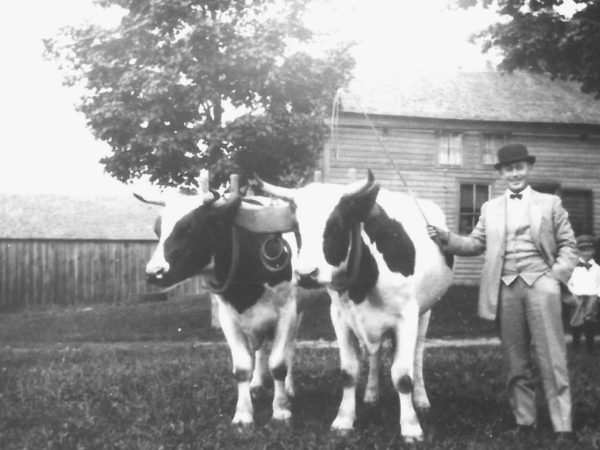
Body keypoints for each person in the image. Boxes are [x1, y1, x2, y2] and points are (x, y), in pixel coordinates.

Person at [428, 143, 578, 443]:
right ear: (501, 173)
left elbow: (569, 246)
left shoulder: (551, 204)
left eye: (519, 167)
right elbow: (475, 244)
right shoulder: (490, 208)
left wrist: (554, 276)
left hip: (542, 286)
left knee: (552, 356)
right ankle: (525, 420)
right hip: (506, 289)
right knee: (515, 359)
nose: (515, 174)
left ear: (529, 169)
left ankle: (562, 424)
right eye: (509, 169)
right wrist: (446, 238)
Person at [567, 234, 600, 354]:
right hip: (577, 296)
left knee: (590, 319)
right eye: (582, 250)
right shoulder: (573, 268)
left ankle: (590, 346)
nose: (586, 253)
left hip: (591, 297)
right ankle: (575, 345)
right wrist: (571, 295)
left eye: (589, 250)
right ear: (577, 251)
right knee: (576, 320)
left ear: (594, 250)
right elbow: (568, 283)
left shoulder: (597, 268)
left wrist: (597, 297)